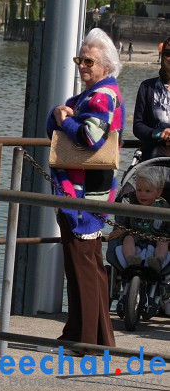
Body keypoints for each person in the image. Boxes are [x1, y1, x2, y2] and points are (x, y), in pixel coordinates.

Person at [45, 27, 124, 348]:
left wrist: (63, 119)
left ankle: (86, 339)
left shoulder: (102, 96)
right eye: (80, 59)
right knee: (86, 267)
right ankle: (94, 336)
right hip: (81, 192)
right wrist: (58, 115)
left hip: (85, 194)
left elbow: (90, 137)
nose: (82, 66)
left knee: (84, 268)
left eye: (89, 61)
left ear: (106, 66)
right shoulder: (88, 96)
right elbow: (55, 127)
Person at [109, 166, 169, 273]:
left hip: (156, 237)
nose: (142, 194)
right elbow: (124, 220)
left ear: (158, 193)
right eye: (139, 190)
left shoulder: (163, 208)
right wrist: (121, 229)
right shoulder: (131, 204)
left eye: (147, 191)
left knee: (163, 241)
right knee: (128, 238)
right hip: (135, 236)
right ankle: (131, 259)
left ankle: (158, 260)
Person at [132, 35, 170, 160]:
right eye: (168, 53)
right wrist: (158, 134)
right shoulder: (147, 87)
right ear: (162, 55)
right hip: (153, 157)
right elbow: (138, 126)